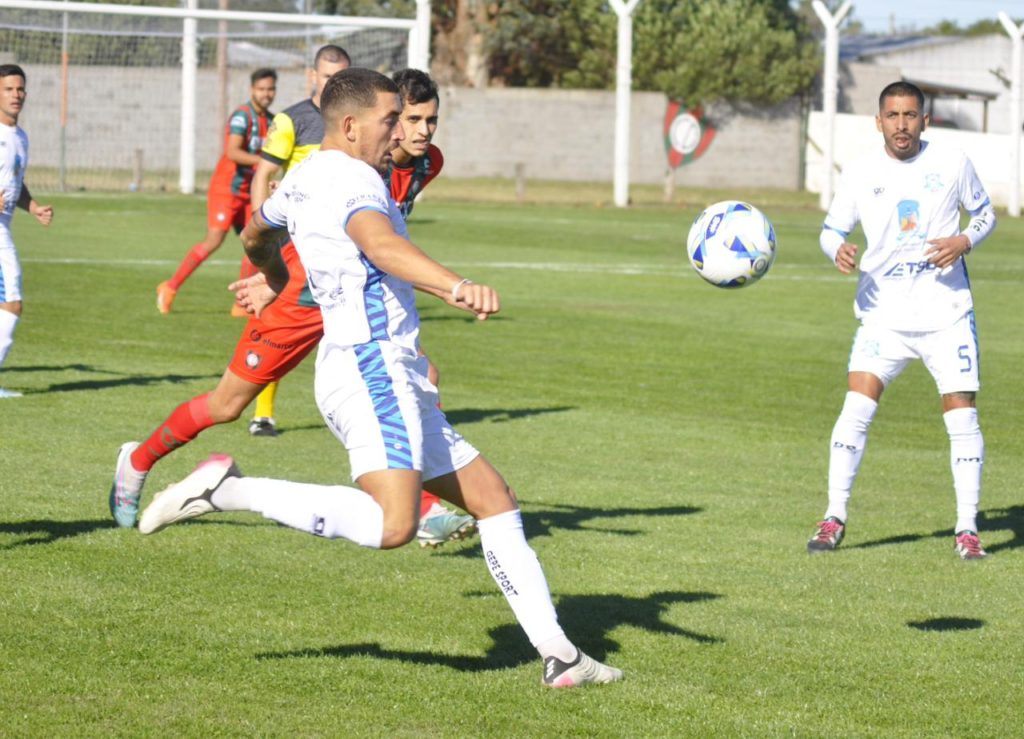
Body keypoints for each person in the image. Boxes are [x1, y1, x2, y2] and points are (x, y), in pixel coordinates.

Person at [137, 68, 623, 689]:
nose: (400, 130)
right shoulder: (356, 180)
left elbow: (260, 228)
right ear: (349, 125)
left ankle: (561, 655)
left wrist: (278, 277)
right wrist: (455, 284)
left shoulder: (308, 172)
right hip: (371, 366)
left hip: (383, 367)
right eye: (391, 119)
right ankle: (227, 490)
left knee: (493, 501)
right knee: (395, 525)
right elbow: (379, 245)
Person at [109, 69, 475, 549]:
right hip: (302, 294)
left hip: (361, 304)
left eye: (430, 120)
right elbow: (303, 217)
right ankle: (138, 461)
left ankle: (418, 509)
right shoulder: (344, 162)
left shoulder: (427, 164)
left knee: (421, 378)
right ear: (372, 121)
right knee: (226, 405)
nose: (420, 131)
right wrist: (271, 278)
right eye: (407, 119)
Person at [806, 81, 997, 560]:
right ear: (879, 122)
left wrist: (964, 241)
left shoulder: (952, 163)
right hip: (883, 316)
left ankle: (967, 528)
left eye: (910, 115)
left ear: (924, 120)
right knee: (856, 410)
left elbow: (984, 213)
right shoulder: (861, 172)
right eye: (893, 116)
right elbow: (831, 231)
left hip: (945, 312)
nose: (902, 125)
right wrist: (839, 249)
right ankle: (833, 517)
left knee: (962, 415)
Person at [246, 44, 350, 437]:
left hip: (342, 245)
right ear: (312, 76)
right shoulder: (292, 120)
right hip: (297, 244)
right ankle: (263, 411)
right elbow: (263, 174)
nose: (333, 85)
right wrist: (263, 230)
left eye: (341, 78)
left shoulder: (354, 120)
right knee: (278, 326)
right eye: (327, 78)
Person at [156, 68, 277, 316]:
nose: (267, 94)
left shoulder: (272, 121)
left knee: (257, 241)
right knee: (213, 241)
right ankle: (170, 287)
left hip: (250, 191)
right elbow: (232, 152)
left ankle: (241, 304)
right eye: (262, 89)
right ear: (252, 90)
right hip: (227, 190)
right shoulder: (242, 117)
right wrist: (262, 162)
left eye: (271, 89)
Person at [0, 65, 53, 399]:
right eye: (8, 89)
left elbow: (13, 183)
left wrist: (32, 206)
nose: (16, 95)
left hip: (5, 224)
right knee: (12, 301)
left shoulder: (19, 137)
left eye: (20, 89)